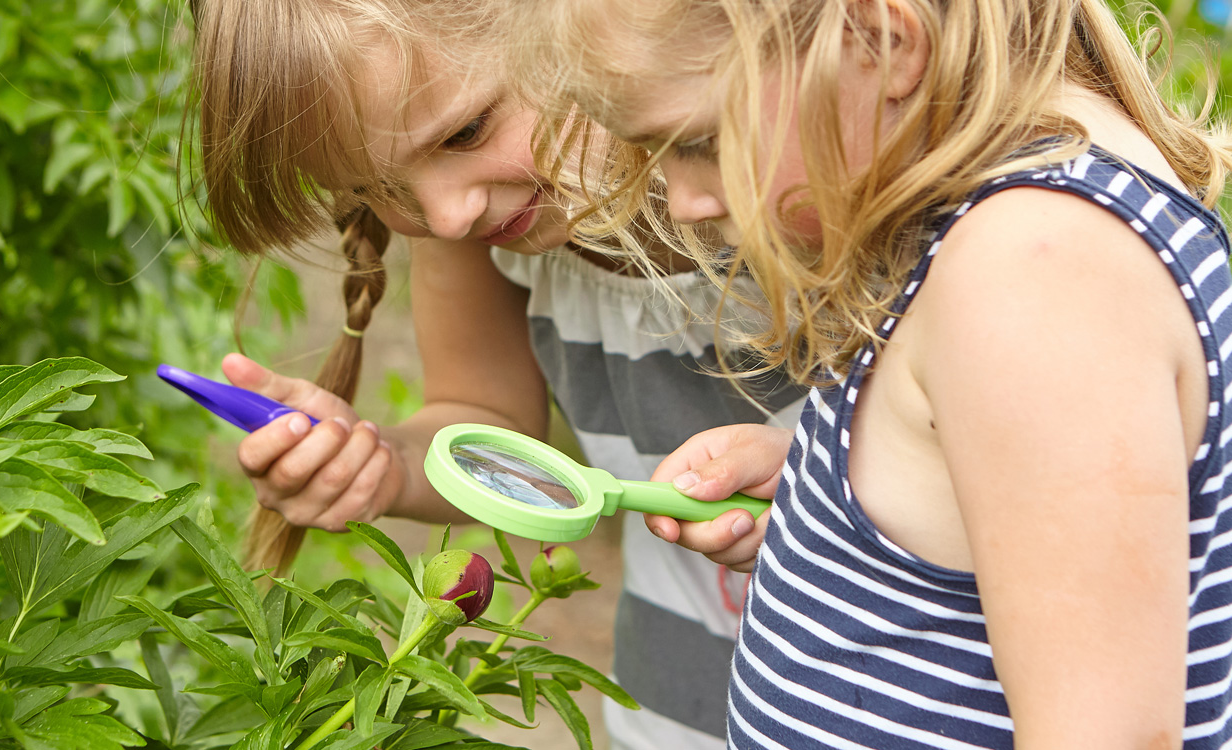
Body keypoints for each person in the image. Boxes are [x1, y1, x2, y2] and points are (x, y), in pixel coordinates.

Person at [515, 0, 1232, 745]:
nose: (685, 203)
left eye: (698, 141)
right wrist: (844, 490)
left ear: (886, 43)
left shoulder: (1036, 269)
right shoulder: (979, 219)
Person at [187, 2, 804, 748]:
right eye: (376, 189)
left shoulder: (804, 191)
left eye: (467, 132)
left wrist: (823, 497)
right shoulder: (484, 222)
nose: (445, 216)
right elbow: (482, 416)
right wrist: (381, 464)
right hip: (678, 713)